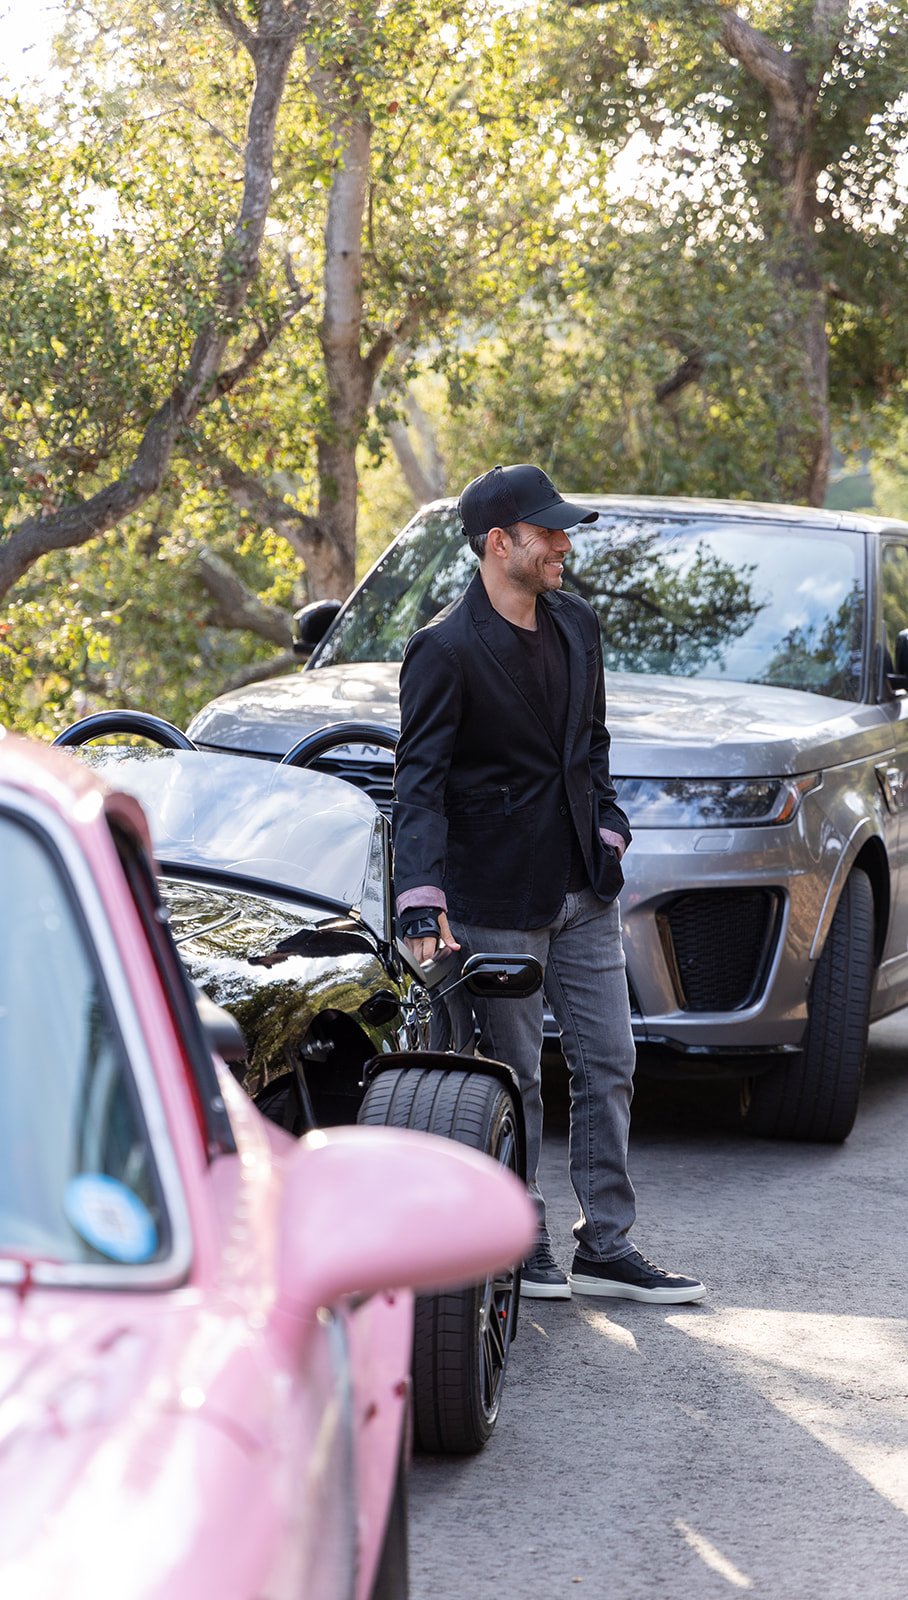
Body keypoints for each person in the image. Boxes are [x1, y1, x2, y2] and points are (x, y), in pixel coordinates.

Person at [392, 463, 705, 1304]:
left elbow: (591, 742)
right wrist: (421, 899)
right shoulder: (444, 650)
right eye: (548, 530)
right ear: (500, 544)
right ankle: (517, 1237)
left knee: (610, 1061)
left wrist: (609, 822)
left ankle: (606, 1244)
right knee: (515, 1075)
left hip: (583, 886)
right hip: (495, 894)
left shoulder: (577, 625)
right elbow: (418, 783)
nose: (566, 543)